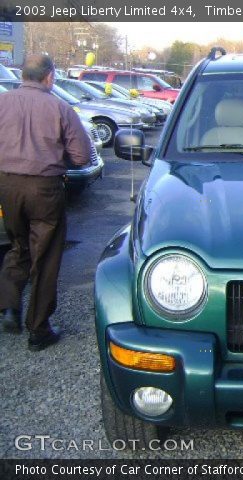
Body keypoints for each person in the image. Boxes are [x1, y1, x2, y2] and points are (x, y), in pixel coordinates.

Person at [0, 54, 91, 351]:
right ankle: (38, 330)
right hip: (45, 188)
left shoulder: (2, 103)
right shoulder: (61, 108)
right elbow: (81, 157)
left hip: (8, 185)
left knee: (18, 246)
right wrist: (54, 157)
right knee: (46, 256)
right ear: (49, 76)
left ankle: (9, 306)